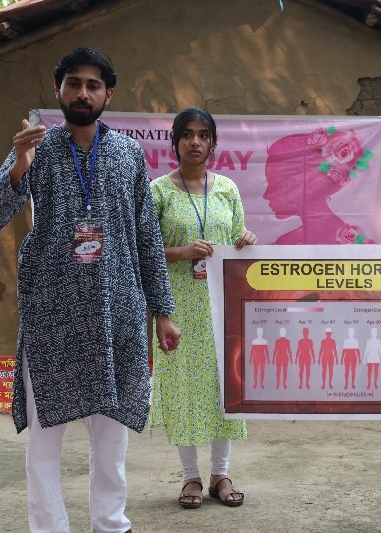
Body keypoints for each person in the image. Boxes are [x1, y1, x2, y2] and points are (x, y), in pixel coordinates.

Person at [0, 47, 181, 533]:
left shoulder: (129, 155)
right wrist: (19, 166)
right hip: (53, 316)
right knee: (44, 441)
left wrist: (163, 311)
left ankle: (111, 524)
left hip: (117, 315)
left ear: (108, 93)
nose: (82, 92)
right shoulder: (35, 149)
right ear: (58, 91)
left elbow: (147, 239)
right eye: (73, 83)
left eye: (92, 85)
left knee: (111, 442)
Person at [148, 106, 256, 509]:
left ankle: (221, 474)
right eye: (187, 134)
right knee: (182, 391)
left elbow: (234, 245)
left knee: (224, 388)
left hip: (220, 307)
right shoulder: (157, 191)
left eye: (203, 135)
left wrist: (245, 239)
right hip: (174, 308)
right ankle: (190, 478)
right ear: (175, 141)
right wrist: (182, 251)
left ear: (213, 143)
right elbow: (143, 252)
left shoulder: (227, 189)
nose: (195, 142)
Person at [263, 128, 378, 244]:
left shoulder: (289, 242)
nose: (266, 195)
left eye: (274, 184)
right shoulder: (354, 239)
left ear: (303, 184)